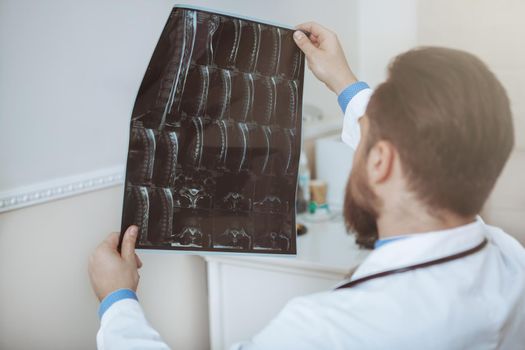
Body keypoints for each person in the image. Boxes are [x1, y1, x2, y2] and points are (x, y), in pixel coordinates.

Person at [89, 22, 525, 349]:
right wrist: (344, 81)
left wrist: (118, 299)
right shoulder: (510, 262)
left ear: (380, 160)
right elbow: (423, 142)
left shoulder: (328, 330)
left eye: (363, 137)